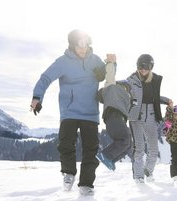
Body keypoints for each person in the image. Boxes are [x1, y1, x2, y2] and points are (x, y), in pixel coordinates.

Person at [30, 29, 115, 196]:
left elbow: (109, 78)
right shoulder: (63, 62)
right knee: (66, 144)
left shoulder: (95, 60)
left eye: (85, 45)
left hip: (90, 112)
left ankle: (86, 184)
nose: (82, 49)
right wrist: (37, 97)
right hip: (69, 111)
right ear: (72, 45)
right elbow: (46, 77)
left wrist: (112, 63)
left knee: (91, 149)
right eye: (79, 46)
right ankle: (69, 173)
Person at [127, 54, 173, 183]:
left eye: (146, 67)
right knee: (139, 148)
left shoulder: (154, 80)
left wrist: (166, 100)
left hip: (151, 116)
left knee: (153, 149)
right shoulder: (131, 80)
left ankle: (148, 171)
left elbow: (154, 98)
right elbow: (125, 96)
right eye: (141, 67)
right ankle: (138, 176)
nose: (143, 70)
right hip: (136, 116)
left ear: (151, 67)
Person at [96, 62, 132, 171]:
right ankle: (105, 155)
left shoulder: (125, 98)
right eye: (124, 87)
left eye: (127, 89)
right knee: (124, 140)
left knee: (129, 144)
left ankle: (111, 160)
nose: (125, 90)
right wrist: (111, 62)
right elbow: (110, 75)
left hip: (119, 120)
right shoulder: (111, 87)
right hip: (114, 116)